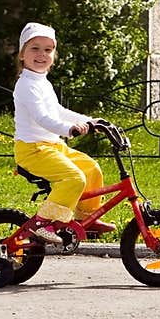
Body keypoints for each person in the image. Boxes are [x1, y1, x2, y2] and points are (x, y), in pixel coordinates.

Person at [12, 21, 116, 242]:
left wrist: (90, 120)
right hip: (33, 150)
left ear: (54, 55)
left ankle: (86, 218)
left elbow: (58, 110)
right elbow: (42, 117)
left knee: (91, 168)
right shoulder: (26, 85)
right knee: (73, 178)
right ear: (22, 55)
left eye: (48, 50)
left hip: (53, 147)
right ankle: (43, 222)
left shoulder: (43, 82)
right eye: (35, 48)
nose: (42, 54)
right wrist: (68, 129)